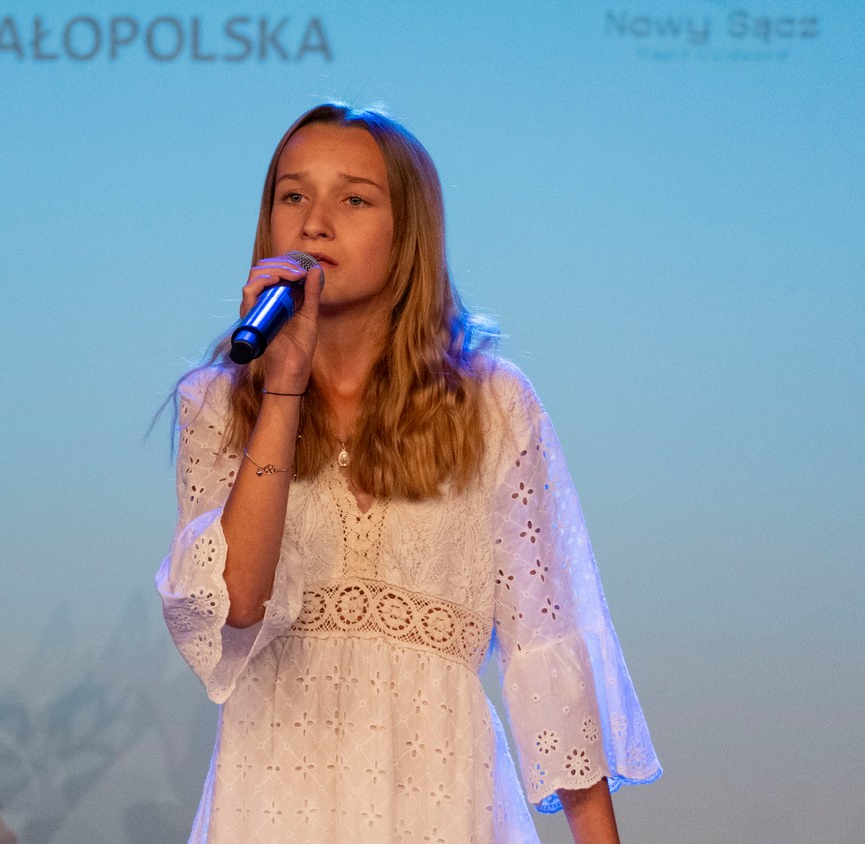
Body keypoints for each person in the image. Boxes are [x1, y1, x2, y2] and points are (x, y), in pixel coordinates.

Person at [155, 103, 661, 844]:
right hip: (271, 803)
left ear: (409, 232)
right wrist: (283, 388)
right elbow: (233, 603)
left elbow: (548, 649)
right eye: (293, 195)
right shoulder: (217, 403)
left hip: (442, 800)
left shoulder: (492, 404)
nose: (315, 224)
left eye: (354, 200)